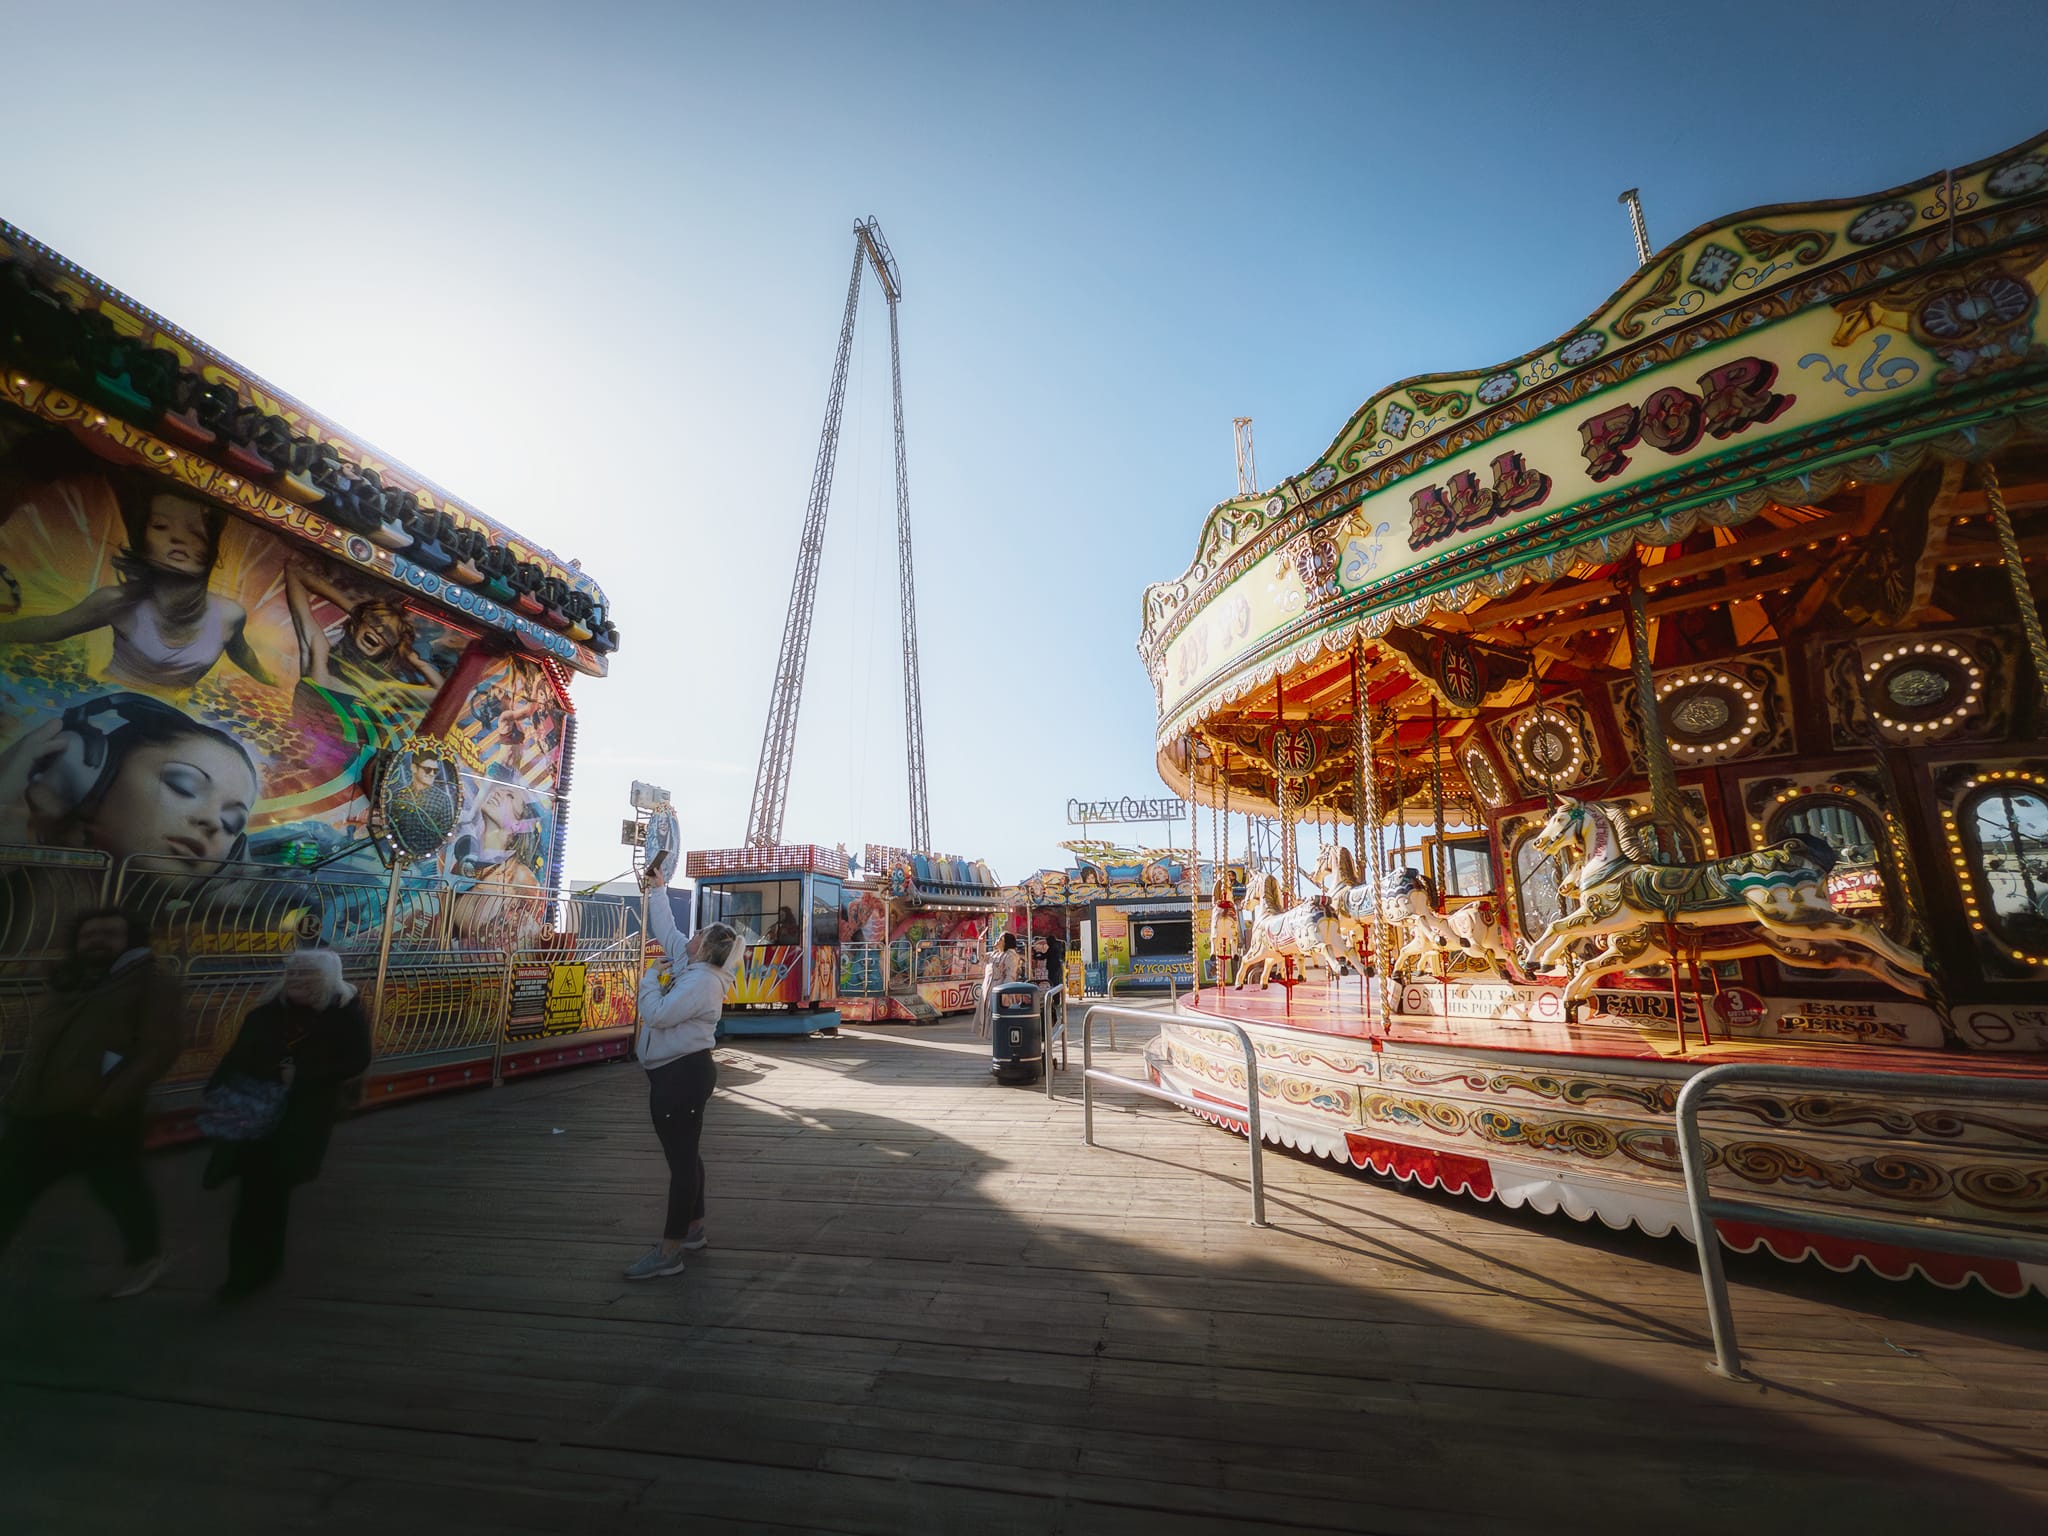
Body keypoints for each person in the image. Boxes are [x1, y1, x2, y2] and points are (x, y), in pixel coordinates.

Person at [0, 907, 185, 1297]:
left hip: (100, 1114)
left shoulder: (151, 982)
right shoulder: (70, 981)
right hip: (37, 1109)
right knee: (10, 1187)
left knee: (120, 1190)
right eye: (89, 934)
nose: (97, 940)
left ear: (129, 940)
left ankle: (147, 1256)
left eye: (109, 934)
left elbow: (158, 1049)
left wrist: (108, 1103)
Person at [203, 948, 372, 1300]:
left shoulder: (343, 1016)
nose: (298, 981)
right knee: (255, 1195)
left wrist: (303, 1076)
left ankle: (256, 1270)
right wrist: (217, 1088)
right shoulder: (266, 1013)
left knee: (269, 1194)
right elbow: (236, 1056)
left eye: (308, 975)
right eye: (294, 974)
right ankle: (244, 1274)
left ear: (327, 979)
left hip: (301, 1117)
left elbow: (356, 1059)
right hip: (253, 1112)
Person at [0, 483, 275, 690]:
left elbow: (244, 655)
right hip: (109, 705)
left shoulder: (230, 614)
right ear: (142, 539)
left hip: (174, 722)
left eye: (194, 532)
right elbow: (50, 627)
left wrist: (272, 681)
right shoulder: (117, 602)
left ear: (211, 546)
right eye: (161, 526)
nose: (178, 538)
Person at [626, 850, 738, 1280]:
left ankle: (669, 1250)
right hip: (676, 1074)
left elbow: (658, 1014)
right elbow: (668, 930)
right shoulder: (693, 965)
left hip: (681, 1076)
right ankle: (692, 1229)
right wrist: (658, 889)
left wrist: (649, 980)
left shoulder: (701, 981)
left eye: (699, 936)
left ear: (707, 949)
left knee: (682, 1162)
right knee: (685, 1156)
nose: (689, 939)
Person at [973, 933, 1024, 1039]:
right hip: (988, 987)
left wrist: (1004, 993)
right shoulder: (995, 954)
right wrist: (980, 942)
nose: (997, 939)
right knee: (987, 1012)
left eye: (1001, 938)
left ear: (1006, 942)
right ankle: (989, 1035)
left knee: (996, 1013)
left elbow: (1010, 975)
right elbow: (981, 957)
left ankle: (998, 1037)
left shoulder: (1010, 955)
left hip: (999, 988)